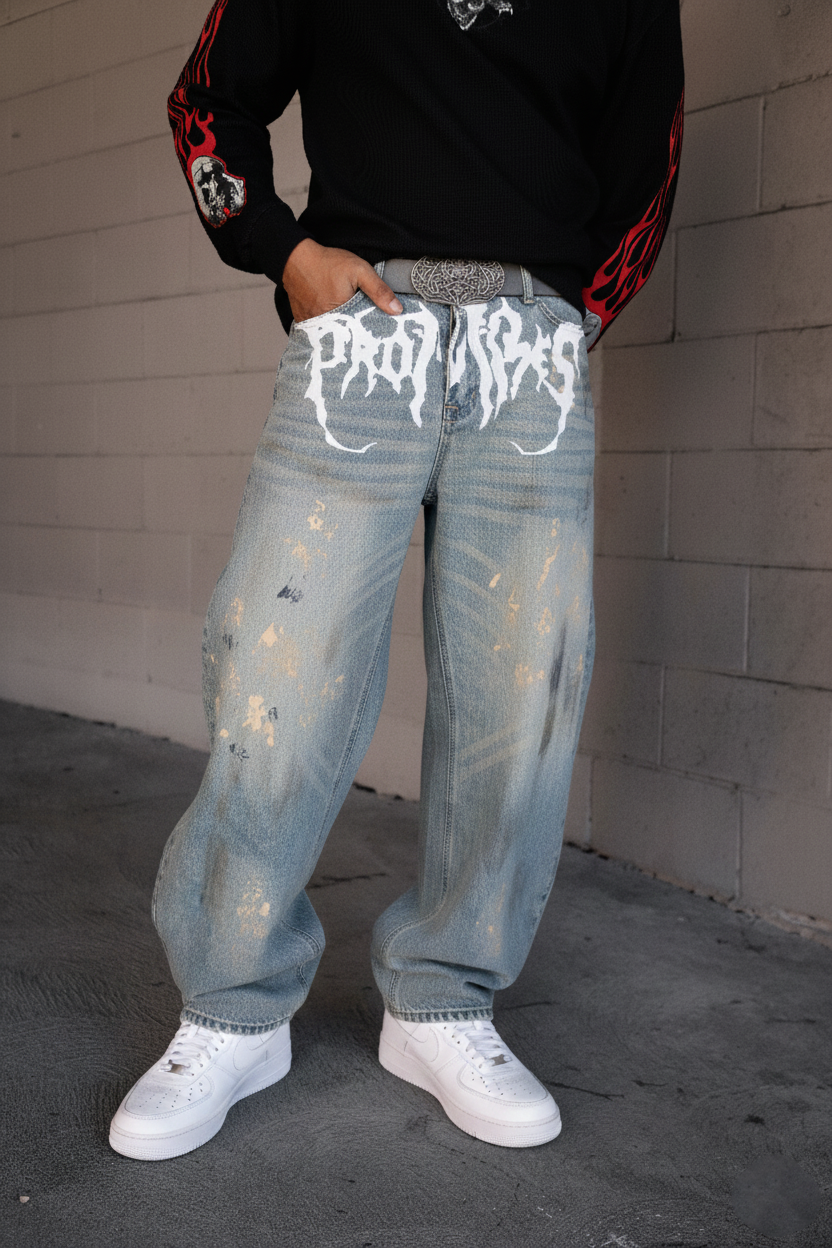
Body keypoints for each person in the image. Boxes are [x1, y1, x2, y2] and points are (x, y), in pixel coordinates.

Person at [109, 0, 684, 1161]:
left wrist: (569, 323)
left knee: (521, 696)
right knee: (279, 676)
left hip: (532, 344)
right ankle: (231, 1011)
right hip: (362, 329)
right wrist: (285, 252)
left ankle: (443, 1000)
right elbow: (206, 99)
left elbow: (646, 166)